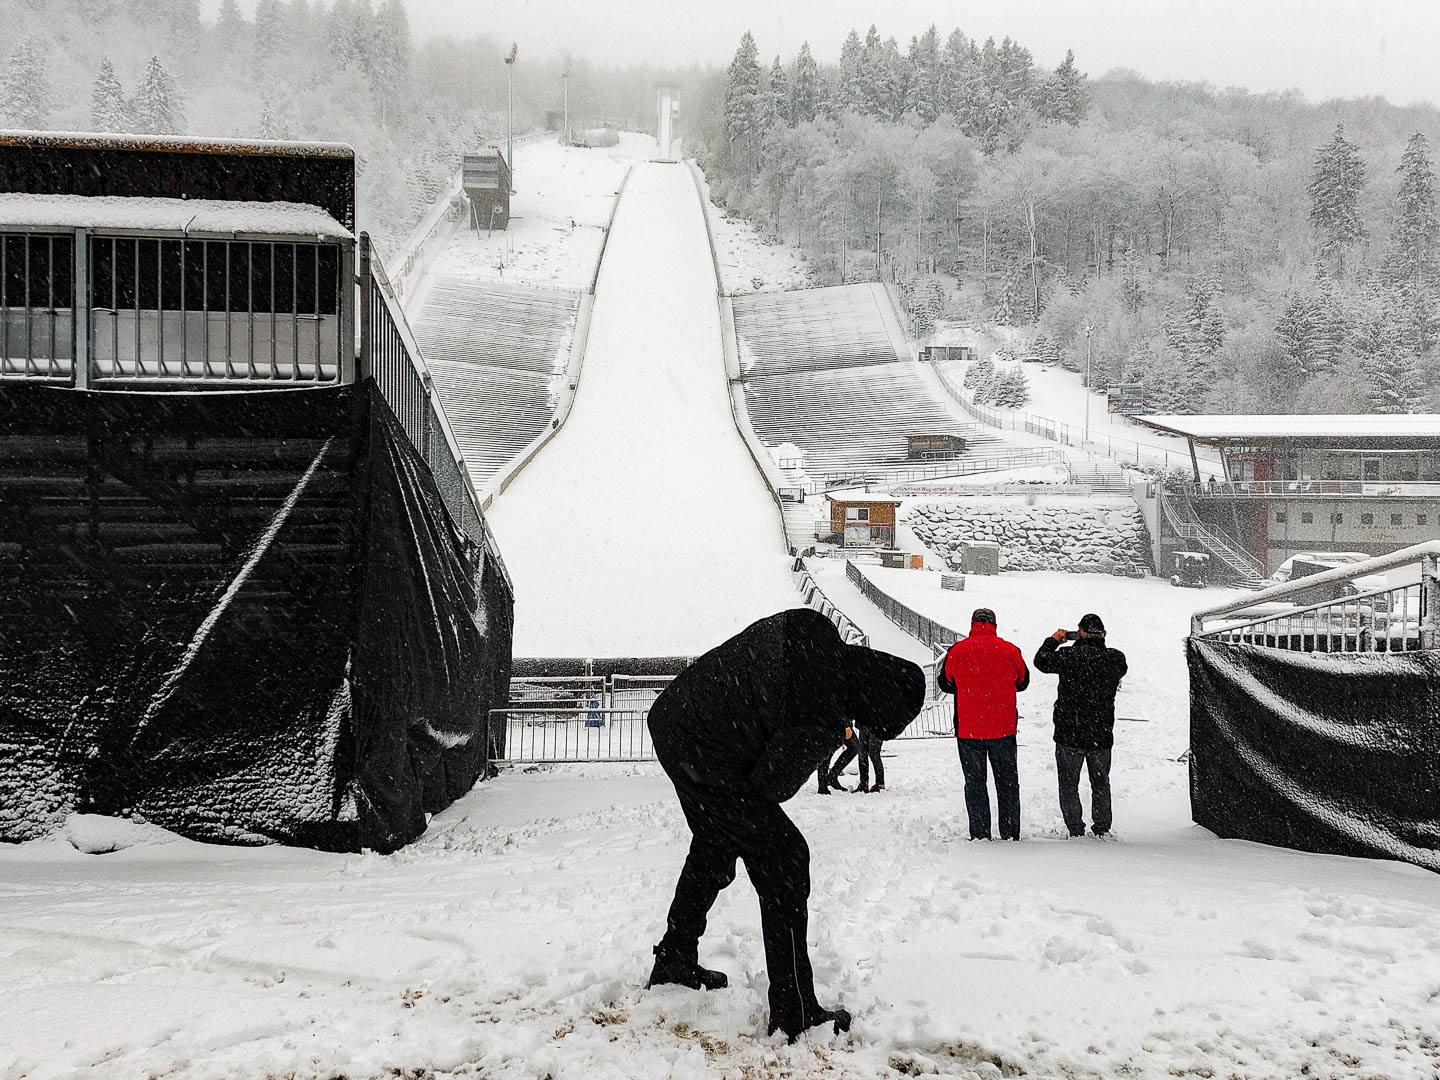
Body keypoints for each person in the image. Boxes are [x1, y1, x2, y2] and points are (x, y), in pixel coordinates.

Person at [646, 608, 925, 1041]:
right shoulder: (819, 713)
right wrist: (825, 734)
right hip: (704, 748)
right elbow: (770, 786)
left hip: (677, 716)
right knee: (786, 859)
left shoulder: (816, 628)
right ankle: (794, 1010)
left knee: (716, 843)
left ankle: (674, 959)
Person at [937, 608, 1030, 840]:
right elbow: (1023, 681)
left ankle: (980, 833)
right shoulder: (1010, 650)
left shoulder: (957, 651)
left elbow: (945, 683)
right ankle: (1009, 832)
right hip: (1003, 729)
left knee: (975, 783)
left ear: (972, 624)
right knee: (1007, 783)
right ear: (994, 625)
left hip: (969, 730)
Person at [1033, 613, 1128, 837]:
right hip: (1101, 733)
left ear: (1080, 633)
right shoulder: (1115, 659)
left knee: (1068, 784)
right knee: (1101, 783)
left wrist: (1055, 640)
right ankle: (1102, 828)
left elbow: (1041, 661)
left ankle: (1075, 828)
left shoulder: (1068, 656)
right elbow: (1119, 668)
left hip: (1069, 732)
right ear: (1103, 634)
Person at [816, 725, 860, 794]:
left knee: (854, 748)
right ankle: (822, 784)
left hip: (842, 723)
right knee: (828, 750)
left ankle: (832, 776)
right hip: (831, 722)